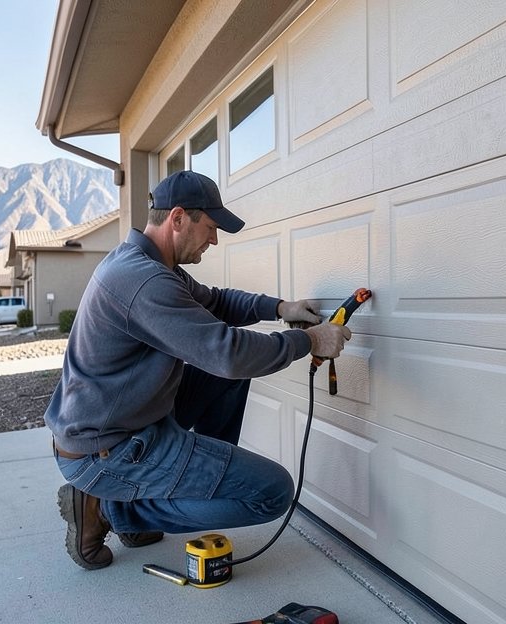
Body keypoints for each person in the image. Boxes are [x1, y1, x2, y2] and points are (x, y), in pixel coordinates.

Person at [45, 170, 353, 570]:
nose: (214, 239)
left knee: (226, 379)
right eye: (210, 227)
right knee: (273, 493)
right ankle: (109, 510)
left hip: (127, 421)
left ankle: (184, 478)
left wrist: (280, 309)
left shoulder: (149, 266)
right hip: (108, 448)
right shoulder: (143, 281)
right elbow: (227, 353)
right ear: (177, 218)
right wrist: (310, 342)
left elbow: (218, 302)